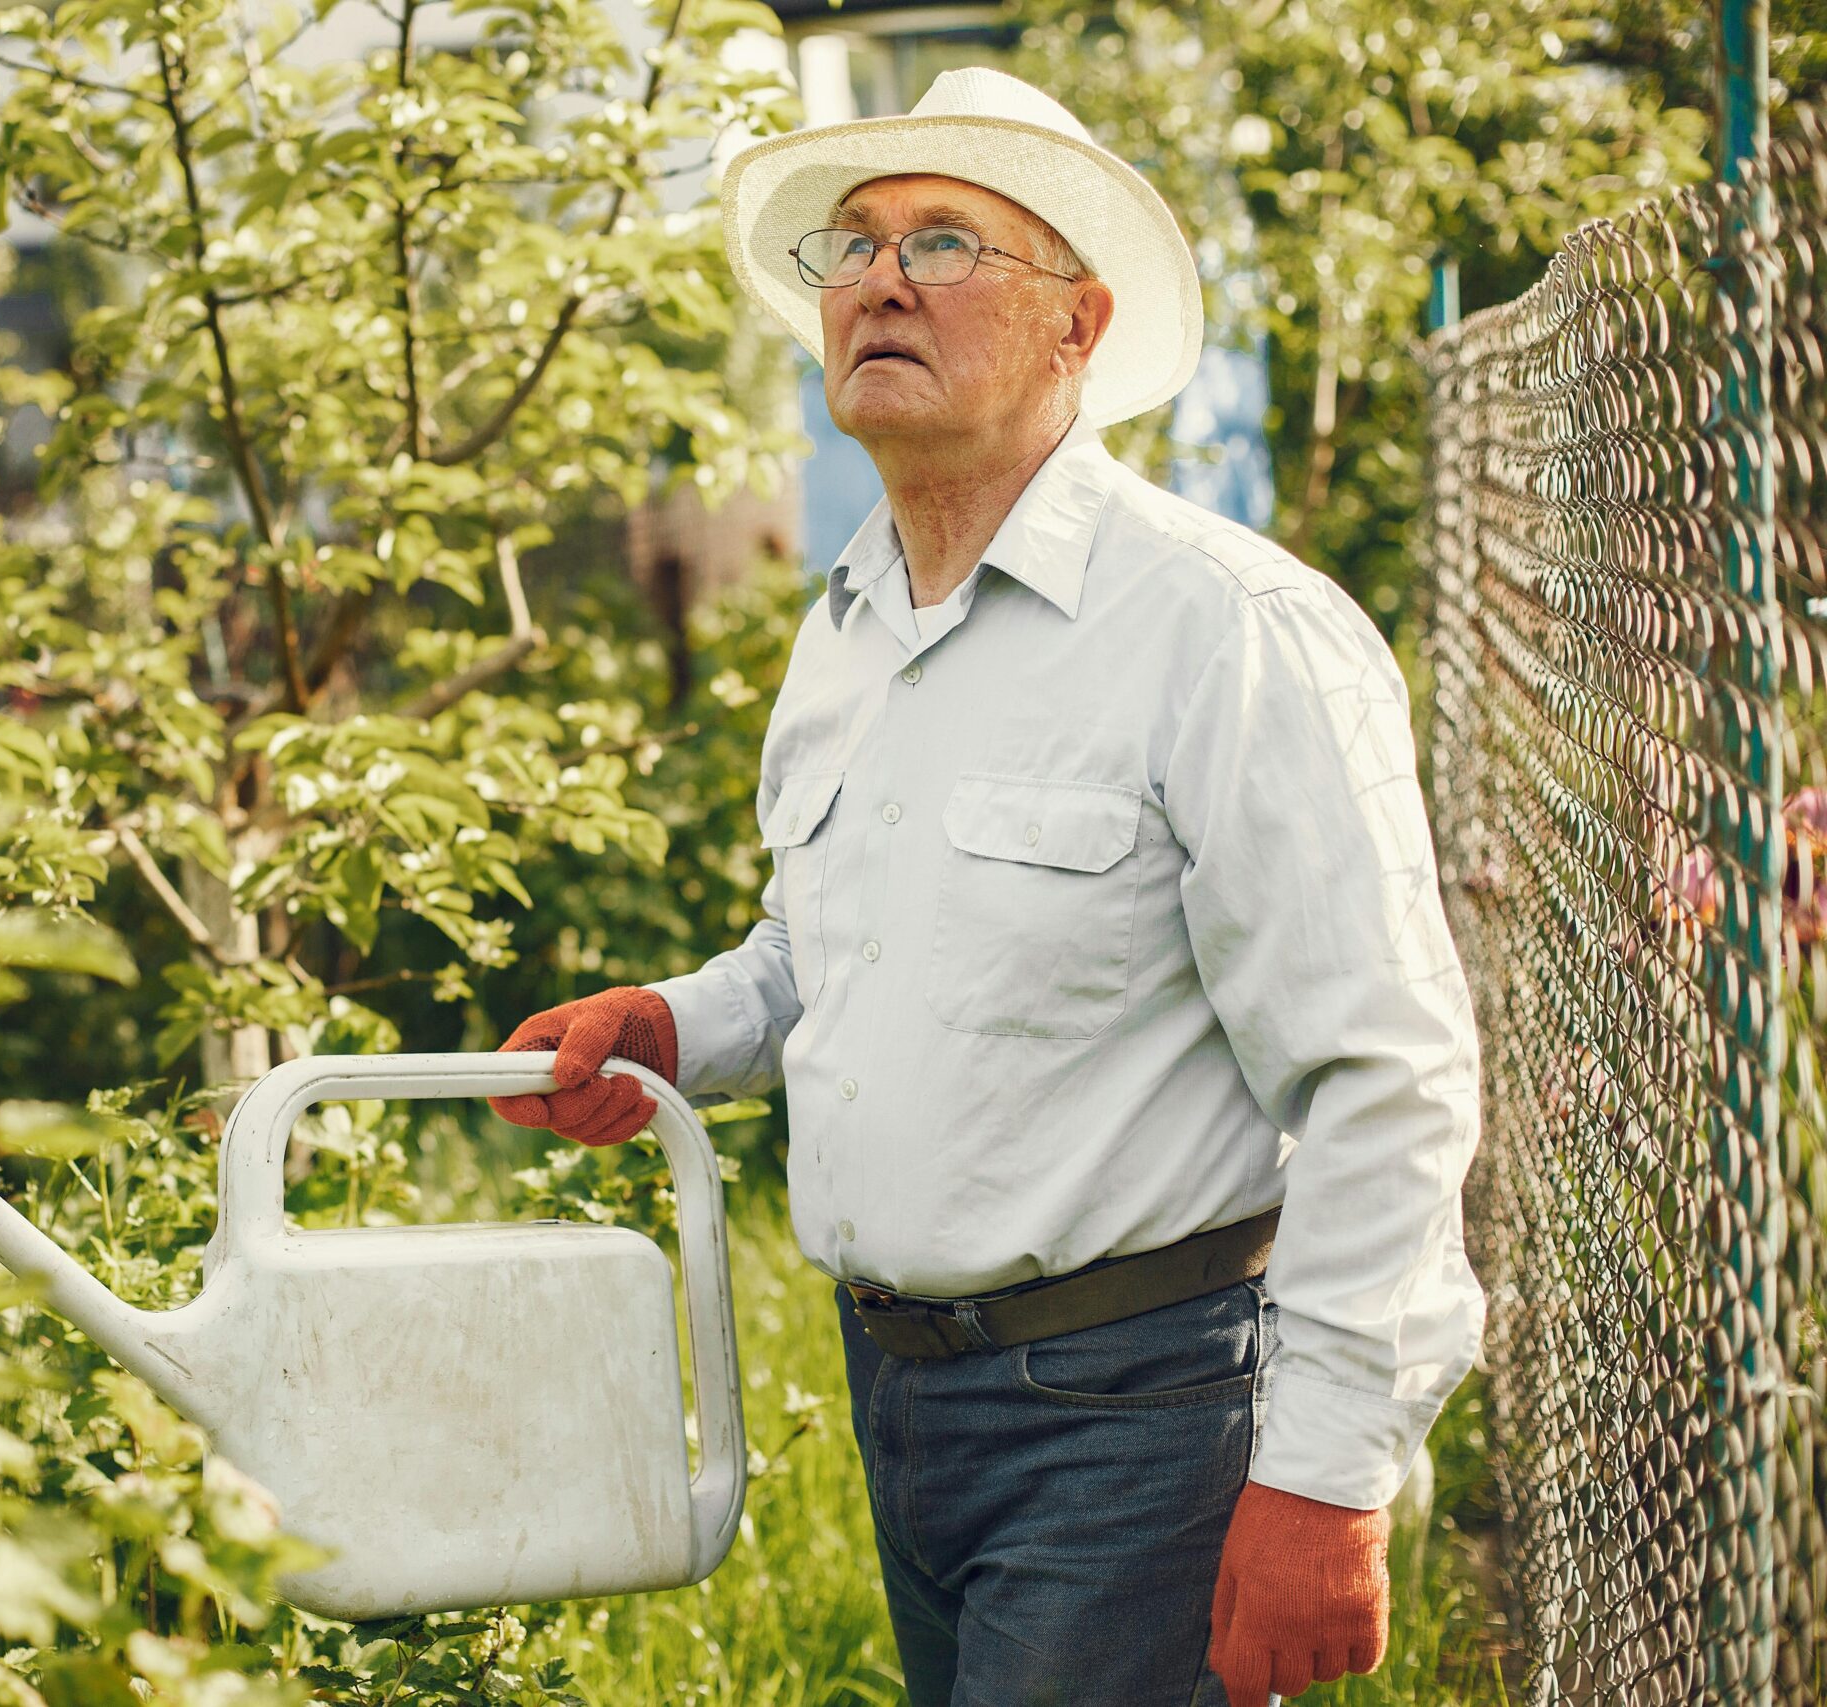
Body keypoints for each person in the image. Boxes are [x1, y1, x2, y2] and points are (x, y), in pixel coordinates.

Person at [488, 68, 1484, 1707]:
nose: (877, 279)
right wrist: (674, 1022)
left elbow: (1385, 1070)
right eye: (856, 246)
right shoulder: (848, 631)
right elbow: (826, 953)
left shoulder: (1224, 629)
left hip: (1141, 1417)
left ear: (1076, 327)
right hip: (905, 1400)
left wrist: (1327, 1474)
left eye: (945, 243)